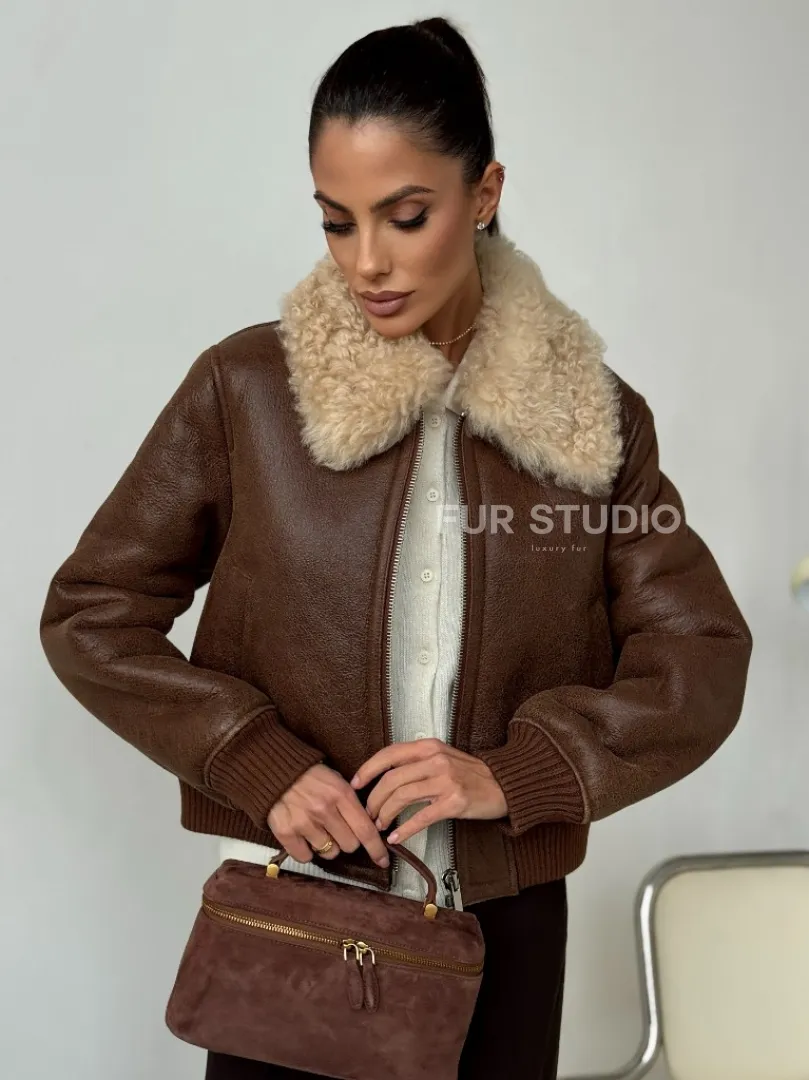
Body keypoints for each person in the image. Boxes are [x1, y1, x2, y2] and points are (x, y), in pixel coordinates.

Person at [39, 15, 753, 1080]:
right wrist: (256, 761)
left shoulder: (591, 420)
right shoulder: (247, 392)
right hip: (299, 912)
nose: (366, 261)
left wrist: (522, 774)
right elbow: (93, 612)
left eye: (405, 215)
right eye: (336, 221)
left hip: (506, 929)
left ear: (485, 192)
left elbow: (698, 654)